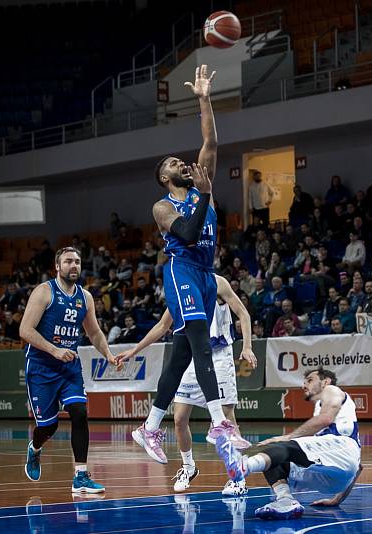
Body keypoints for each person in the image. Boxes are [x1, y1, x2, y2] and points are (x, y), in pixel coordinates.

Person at [138, 64, 236, 462]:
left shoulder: (202, 182)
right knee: (197, 337)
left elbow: (211, 140)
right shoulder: (163, 207)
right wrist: (207, 196)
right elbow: (189, 235)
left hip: (205, 273)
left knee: (180, 353)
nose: (181, 162)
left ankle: (148, 427)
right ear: (164, 177)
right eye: (172, 163)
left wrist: (204, 98)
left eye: (182, 160)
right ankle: (218, 420)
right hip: (181, 270)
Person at [117, 275, 257, 496]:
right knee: (180, 418)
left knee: (226, 417)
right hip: (191, 356)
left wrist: (247, 346)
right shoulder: (180, 287)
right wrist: (134, 350)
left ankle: (237, 477)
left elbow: (244, 314)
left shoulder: (217, 282)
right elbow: (163, 325)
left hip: (218, 355)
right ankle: (189, 467)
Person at [21, 247, 117, 493]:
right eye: (68, 261)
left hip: (69, 366)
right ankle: (35, 448)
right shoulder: (44, 292)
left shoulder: (85, 297)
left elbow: (93, 332)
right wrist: (54, 350)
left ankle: (81, 477)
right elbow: (25, 330)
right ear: (57, 266)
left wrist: (107, 354)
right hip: (42, 367)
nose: (74, 265)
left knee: (79, 412)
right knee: (48, 427)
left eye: (77, 261)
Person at [216, 368, 362, 520]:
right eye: (304, 382)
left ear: (325, 382)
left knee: (285, 446)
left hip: (342, 449)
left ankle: (242, 466)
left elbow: (325, 419)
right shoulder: (324, 409)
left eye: (310, 380)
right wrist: (337, 499)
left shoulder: (332, 390)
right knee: (274, 457)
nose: (304, 385)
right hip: (335, 480)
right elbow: (358, 467)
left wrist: (288, 437)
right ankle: (286, 501)